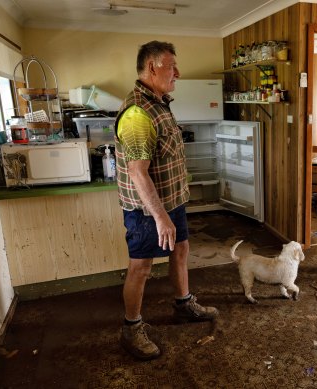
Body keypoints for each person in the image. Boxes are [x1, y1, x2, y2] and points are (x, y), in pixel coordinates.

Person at [115, 41, 218, 360]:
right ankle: (131, 327)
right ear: (151, 68)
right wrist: (160, 216)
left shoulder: (159, 103)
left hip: (172, 201)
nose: (178, 72)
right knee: (141, 267)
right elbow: (137, 172)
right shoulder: (136, 114)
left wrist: (170, 211)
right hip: (147, 210)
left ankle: (183, 304)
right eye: (171, 66)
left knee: (182, 249)